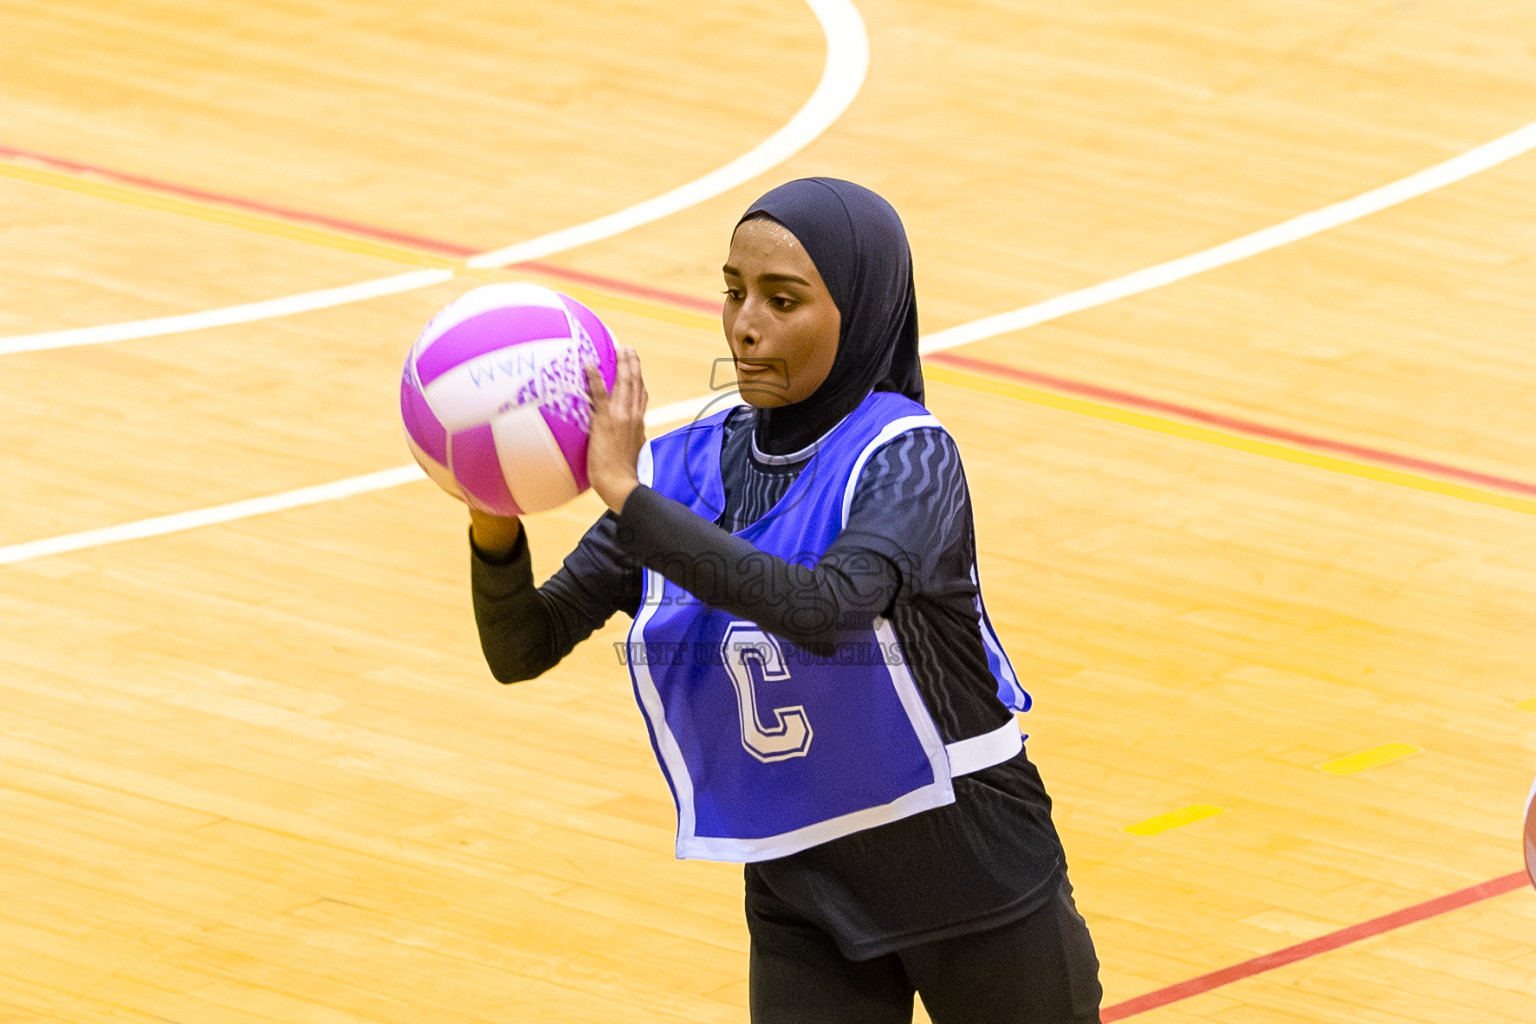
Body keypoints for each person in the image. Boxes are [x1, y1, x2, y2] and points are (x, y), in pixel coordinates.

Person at [465, 178, 1103, 1023]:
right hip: (802, 877)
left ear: (861, 312)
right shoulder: (680, 473)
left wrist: (625, 493)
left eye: (783, 299)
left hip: (970, 866)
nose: (745, 324)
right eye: (734, 291)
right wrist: (491, 513)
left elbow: (825, 613)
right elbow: (521, 645)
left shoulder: (907, 456)